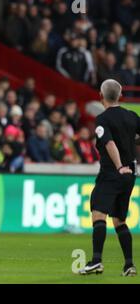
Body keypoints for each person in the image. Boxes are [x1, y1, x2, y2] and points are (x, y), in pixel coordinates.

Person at [79, 79, 137, 277]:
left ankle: (96, 261)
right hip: (130, 174)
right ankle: (129, 265)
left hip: (113, 172)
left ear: (101, 96)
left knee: (98, 211)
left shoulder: (102, 119)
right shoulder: (132, 116)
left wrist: (119, 165)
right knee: (119, 220)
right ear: (120, 95)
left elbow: (109, 143)